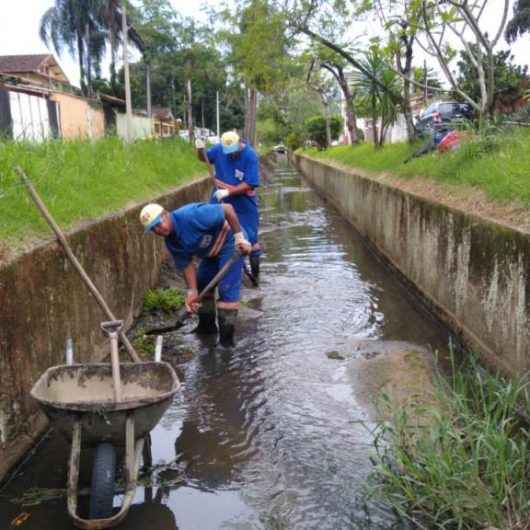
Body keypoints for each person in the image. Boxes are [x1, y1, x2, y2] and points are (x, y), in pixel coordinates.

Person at [140, 202, 251, 347]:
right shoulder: (171, 242)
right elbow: (186, 265)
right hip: (211, 253)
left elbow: (228, 209)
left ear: (166, 214)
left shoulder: (191, 216)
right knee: (201, 285)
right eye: (153, 229)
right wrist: (192, 291)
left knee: (226, 289)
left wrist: (239, 238)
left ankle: (226, 343)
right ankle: (207, 329)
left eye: (158, 224)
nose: (158, 230)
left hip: (230, 242)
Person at [195, 131, 261, 283]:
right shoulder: (219, 149)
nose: (231, 155)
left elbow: (250, 183)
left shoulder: (250, 155)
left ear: (239, 143)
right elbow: (204, 158)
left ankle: (255, 274)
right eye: (228, 152)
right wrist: (199, 149)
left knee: (249, 237)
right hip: (220, 198)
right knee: (216, 231)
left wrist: (229, 191)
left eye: (233, 151)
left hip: (243, 201)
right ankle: (217, 269)